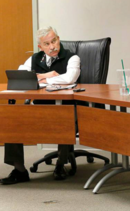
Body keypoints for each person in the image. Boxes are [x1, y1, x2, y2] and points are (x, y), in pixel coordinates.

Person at [0, 26, 80, 185]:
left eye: (54, 41)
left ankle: (60, 165)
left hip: (65, 107)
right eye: (47, 44)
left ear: (58, 38)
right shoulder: (34, 59)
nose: (52, 47)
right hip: (38, 108)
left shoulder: (72, 58)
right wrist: (48, 75)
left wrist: (39, 79)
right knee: (11, 120)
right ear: (40, 47)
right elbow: (21, 76)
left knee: (64, 117)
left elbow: (69, 78)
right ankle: (19, 170)